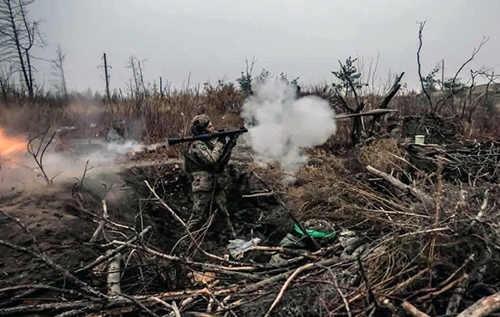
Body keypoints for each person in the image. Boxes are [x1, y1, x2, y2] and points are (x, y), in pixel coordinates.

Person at [184, 114, 238, 238]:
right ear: (202, 130)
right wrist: (220, 142)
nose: (213, 128)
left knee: (224, 213)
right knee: (196, 217)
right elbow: (212, 159)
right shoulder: (197, 144)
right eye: (209, 126)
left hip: (214, 183)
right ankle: (184, 244)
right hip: (203, 186)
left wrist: (229, 142)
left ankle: (232, 239)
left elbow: (220, 161)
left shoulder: (206, 143)